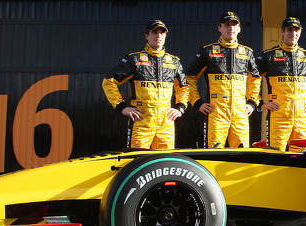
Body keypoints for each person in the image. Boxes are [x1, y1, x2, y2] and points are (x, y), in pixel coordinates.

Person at [102, 20, 189, 150]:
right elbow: (108, 82)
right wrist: (122, 107)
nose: (158, 36)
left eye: (162, 33)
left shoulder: (174, 62)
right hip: (142, 119)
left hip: (166, 122)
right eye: (154, 32)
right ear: (147, 36)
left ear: (165, 36)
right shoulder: (134, 59)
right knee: (136, 159)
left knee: (165, 162)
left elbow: (184, 88)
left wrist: (180, 108)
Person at [185, 11, 261, 148]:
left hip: (240, 114)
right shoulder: (207, 51)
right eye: (227, 25)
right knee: (214, 153)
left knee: (242, 154)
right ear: (219, 28)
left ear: (239, 28)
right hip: (216, 113)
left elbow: (255, 79)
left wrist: (252, 102)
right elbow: (188, 78)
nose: (231, 28)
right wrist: (197, 102)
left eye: (234, 25)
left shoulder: (247, 53)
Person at [256, 17, 306, 151]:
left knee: (301, 154)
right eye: (289, 30)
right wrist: (260, 103)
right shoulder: (269, 56)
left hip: (302, 115)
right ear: (282, 32)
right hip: (278, 114)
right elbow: (251, 79)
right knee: (275, 153)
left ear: (300, 33)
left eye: (296, 30)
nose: (293, 33)